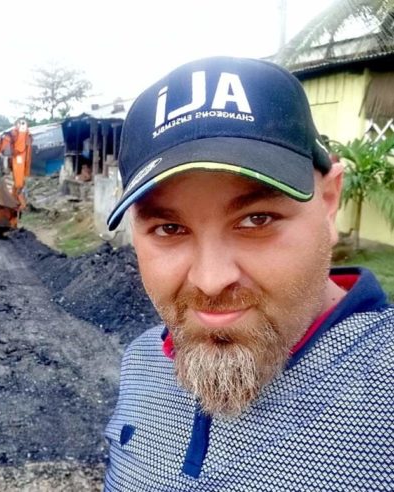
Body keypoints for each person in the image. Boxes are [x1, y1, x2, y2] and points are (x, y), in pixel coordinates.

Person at [103, 56, 393, 491]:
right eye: (169, 229)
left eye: (257, 220)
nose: (210, 279)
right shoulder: (141, 360)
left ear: (329, 202)